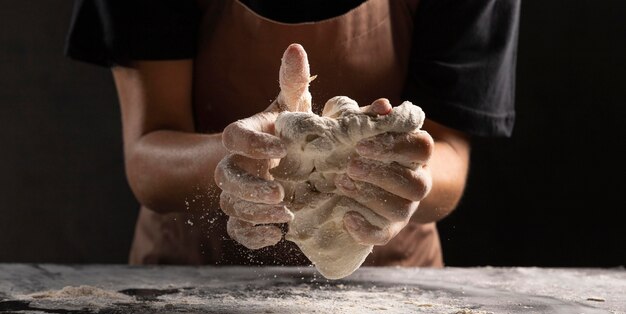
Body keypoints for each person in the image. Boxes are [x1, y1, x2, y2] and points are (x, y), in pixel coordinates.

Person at [65, 0, 519, 268]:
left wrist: (403, 175)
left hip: (391, 284)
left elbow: (450, 151)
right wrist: (246, 160)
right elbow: (147, 152)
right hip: (191, 282)